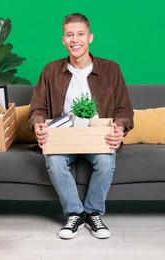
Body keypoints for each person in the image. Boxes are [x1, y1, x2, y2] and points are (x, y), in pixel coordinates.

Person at [28, 13, 134, 239]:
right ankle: (75, 214)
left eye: (80, 34)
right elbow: (37, 109)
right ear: (63, 40)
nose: (75, 40)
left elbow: (124, 110)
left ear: (90, 37)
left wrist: (119, 128)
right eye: (69, 35)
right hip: (62, 137)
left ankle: (93, 213)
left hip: (98, 137)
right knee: (54, 162)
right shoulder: (50, 70)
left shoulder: (111, 69)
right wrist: (38, 125)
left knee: (106, 161)